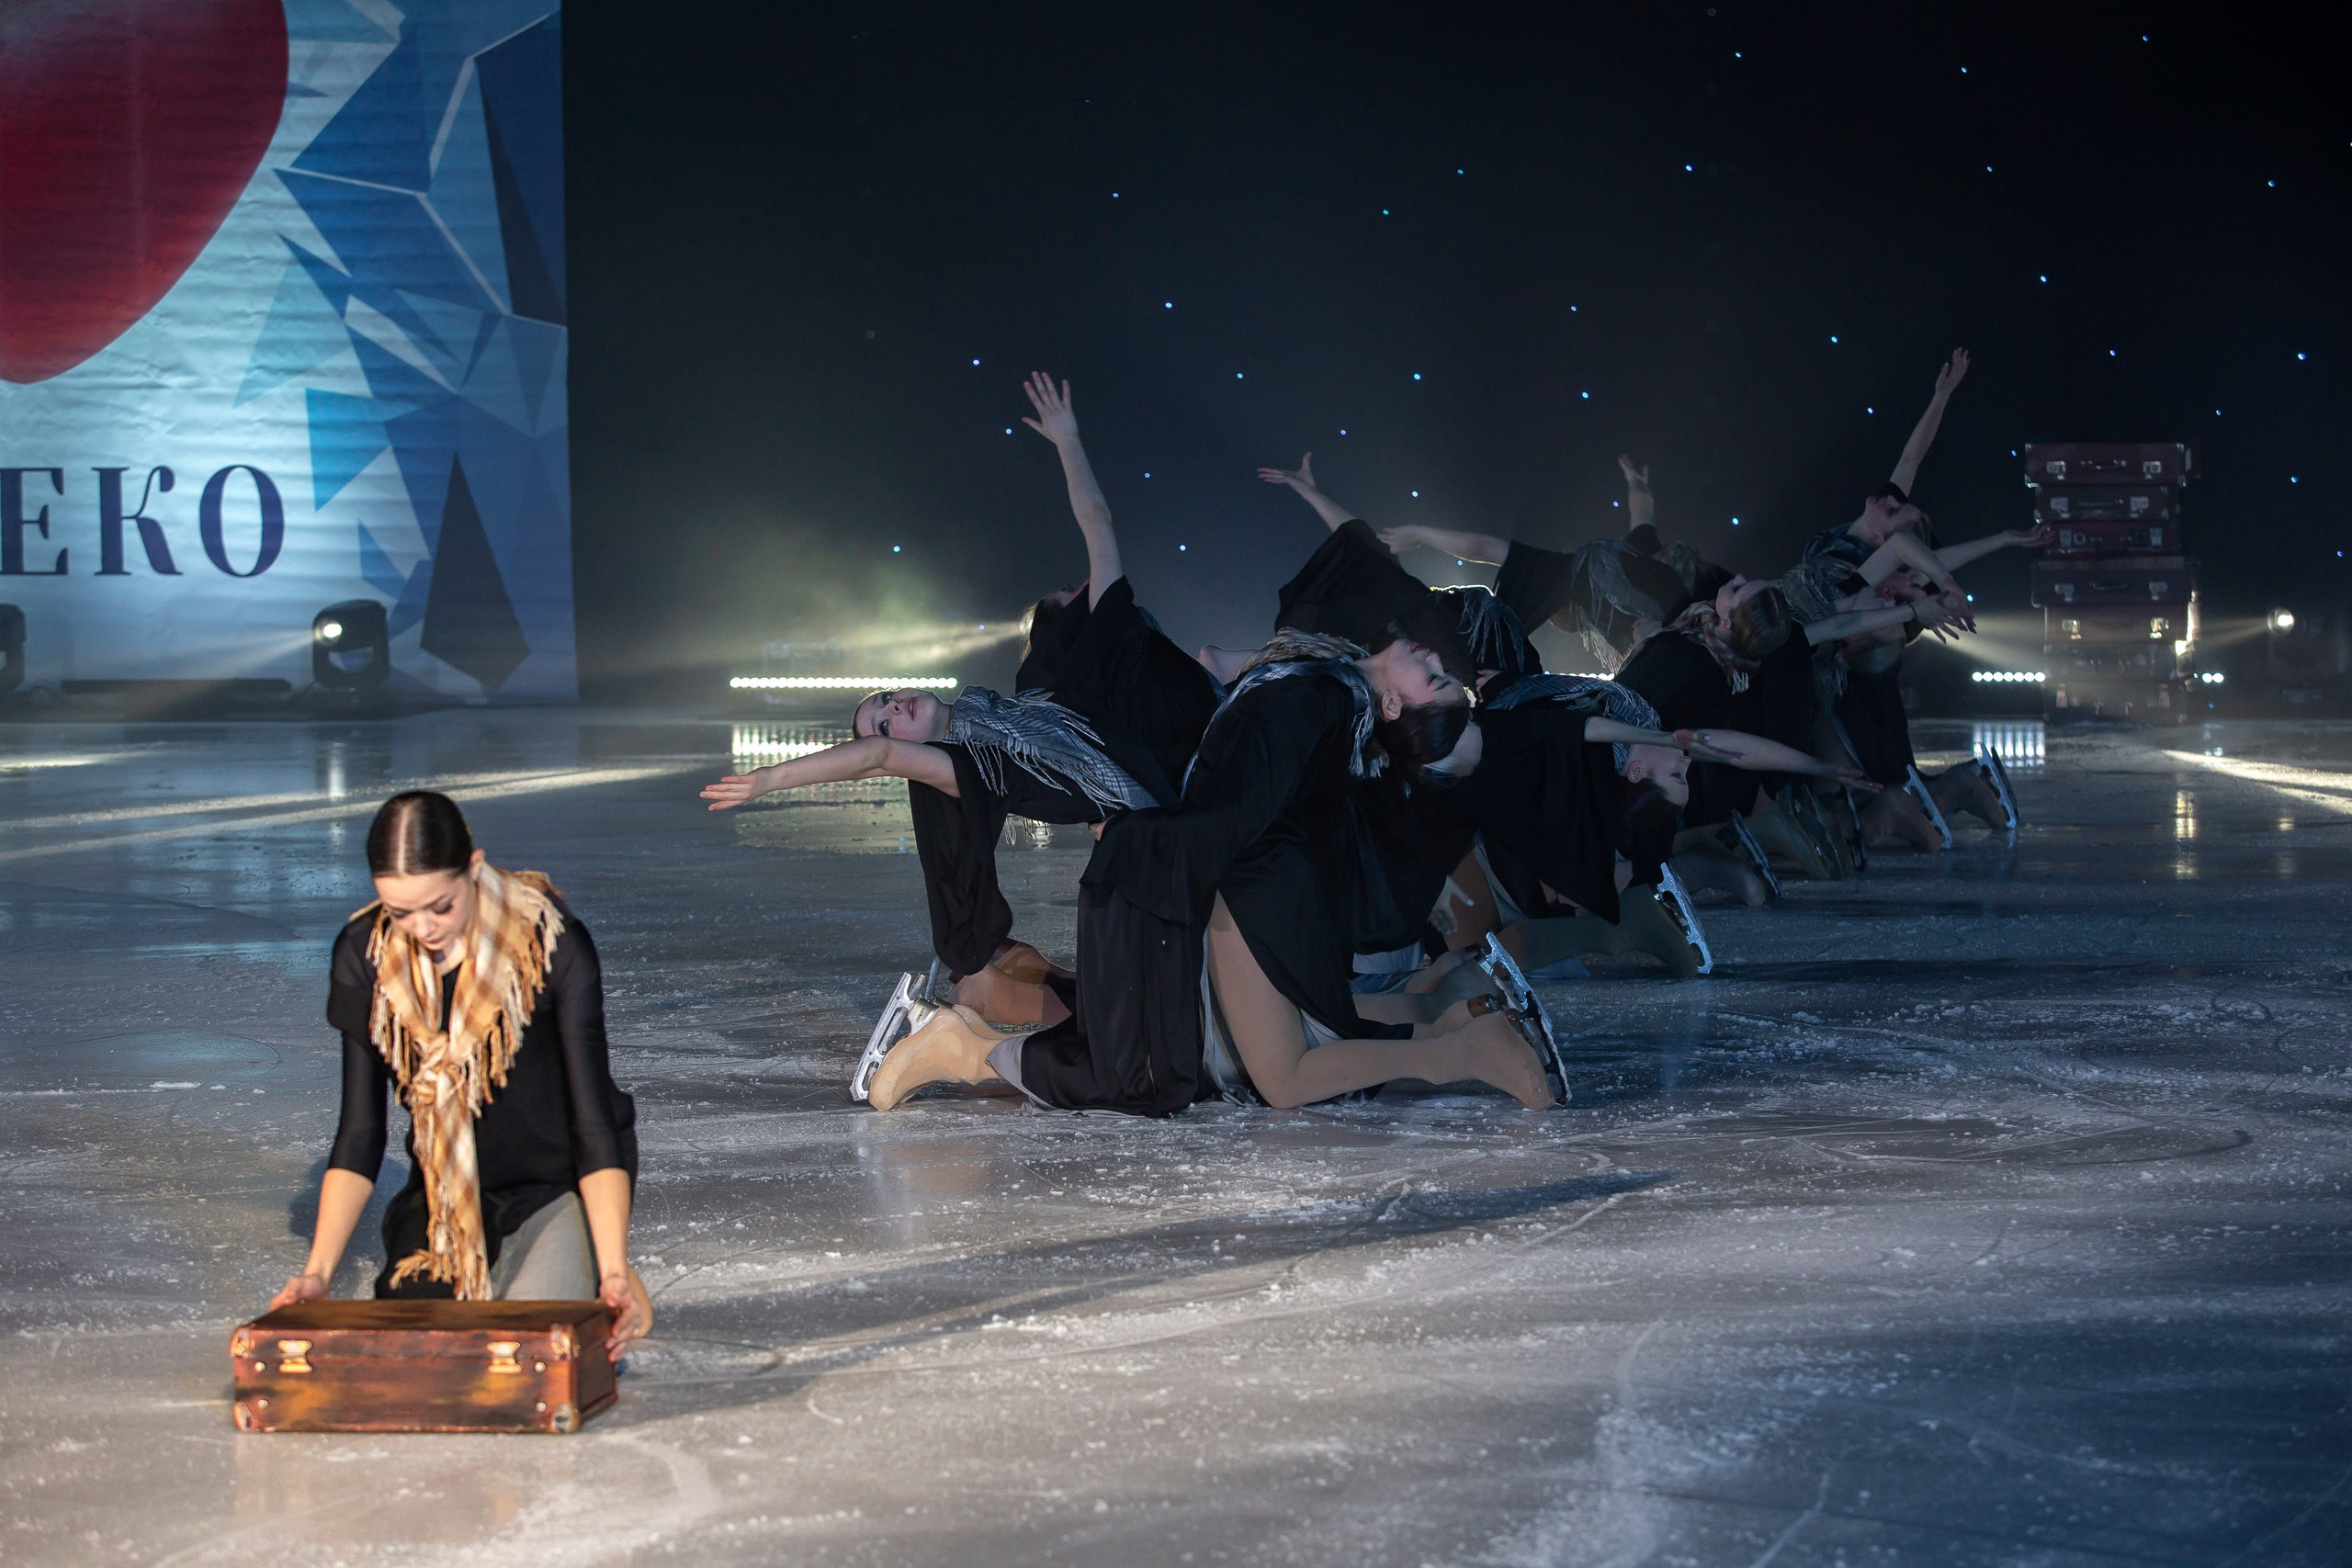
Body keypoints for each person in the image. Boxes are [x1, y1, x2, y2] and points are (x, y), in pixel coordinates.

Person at [861, 631, 1561, 1115]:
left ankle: (1468, 1047)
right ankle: (1451, 1010)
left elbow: (1240, 808)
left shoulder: (1323, 697)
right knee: (1273, 1035)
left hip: (1244, 879)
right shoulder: (1330, 677)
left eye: (1433, 679)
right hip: (1255, 875)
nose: (1433, 656)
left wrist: (1148, 847)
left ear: (1396, 705)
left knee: (1277, 1076)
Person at [701, 376, 1217, 1028]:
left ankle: (997, 970)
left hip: (1169, 828)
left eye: (885, 698)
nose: (895, 709)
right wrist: (774, 778)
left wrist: (1067, 440)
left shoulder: (1031, 697)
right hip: (1150, 855)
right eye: (884, 722)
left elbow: (1099, 526)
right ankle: (983, 981)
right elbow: (881, 756)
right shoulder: (972, 764)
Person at [272, 792, 650, 1361]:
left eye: (439, 907)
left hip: (557, 1185)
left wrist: (614, 1272)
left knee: (530, 1355)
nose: (421, 928)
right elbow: (359, 1134)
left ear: (473, 867)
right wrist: (317, 1276)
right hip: (443, 1196)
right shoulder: (363, 953)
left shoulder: (550, 942)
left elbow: (593, 1122)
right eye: (400, 912)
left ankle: (593, 1250)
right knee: (419, 1359)